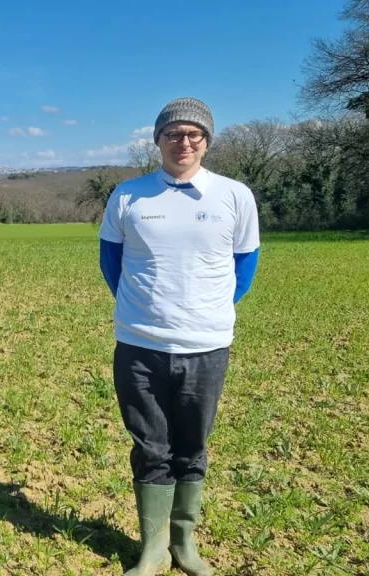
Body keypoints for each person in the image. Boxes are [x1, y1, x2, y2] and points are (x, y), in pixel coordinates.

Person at [98, 97, 260, 576]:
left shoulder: (234, 195)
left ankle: (183, 544)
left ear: (207, 141)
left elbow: (244, 265)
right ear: (158, 141)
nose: (183, 141)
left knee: (192, 446)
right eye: (173, 133)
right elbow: (113, 263)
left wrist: (209, 311)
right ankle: (152, 549)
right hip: (139, 344)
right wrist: (145, 307)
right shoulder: (128, 195)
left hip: (206, 345)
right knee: (150, 445)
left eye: (194, 134)